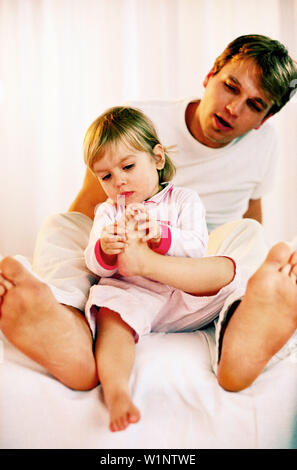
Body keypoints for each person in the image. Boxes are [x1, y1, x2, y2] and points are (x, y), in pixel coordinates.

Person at [0, 34, 296, 394]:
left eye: (254, 104)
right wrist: (106, 247)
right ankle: (66, 326)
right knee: (61, 225)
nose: (234, 108)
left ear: (263, 120)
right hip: (126, 259)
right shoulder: (142, 119)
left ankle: (242, 334)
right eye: (230, 87)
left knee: (249, 233)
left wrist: (167, 254)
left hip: (199, 264)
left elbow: (253, 219)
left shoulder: (264, 146)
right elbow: (87, 208)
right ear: (210, 75)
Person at [82, 106, 239, 431]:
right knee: (111, 320)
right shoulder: (108, 212)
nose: (119, 181)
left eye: (127, 166)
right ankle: (117, 392)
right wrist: (106, 250)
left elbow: (196, 246)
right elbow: (93, 263)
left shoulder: (182, 200)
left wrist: (162, 237)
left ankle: (246, 339)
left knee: (230, 277)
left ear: (156, 158)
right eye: (106, 176)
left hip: (181, 292)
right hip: (133, 294)